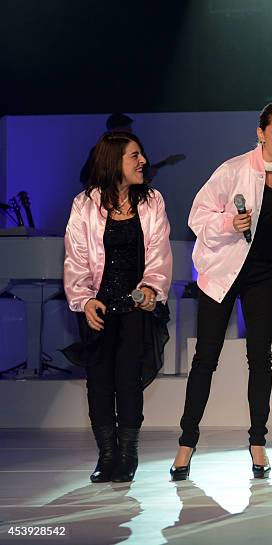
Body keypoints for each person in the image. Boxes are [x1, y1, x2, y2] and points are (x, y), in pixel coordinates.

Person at [171, 102, 272, 481]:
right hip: (222, 274)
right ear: (261, 133)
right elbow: (196, 216)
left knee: (260, 358)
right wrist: (231, 222)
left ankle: (257, 441)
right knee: (206, 358)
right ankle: (186, 442)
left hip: (264, 277)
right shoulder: (232, 170)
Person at [63, 131, 172, 483]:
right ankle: (106, 455)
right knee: (98, 383)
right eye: (134, 156)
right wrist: (84, 299)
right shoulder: (85, 204)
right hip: (98, 308)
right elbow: (76, 258)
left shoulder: (152, 201)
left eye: (142, 154)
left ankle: (127, 455)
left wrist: (150, 288)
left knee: (128, 382)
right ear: (114, 162)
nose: (143, 161)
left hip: (134, 308)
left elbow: (158, 252)